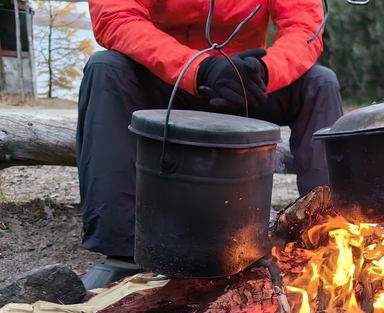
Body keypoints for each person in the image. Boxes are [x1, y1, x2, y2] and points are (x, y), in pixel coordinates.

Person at [78, 0, 343, 289]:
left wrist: (264, 71)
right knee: (104, 68)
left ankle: (327, 236)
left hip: (246, 83)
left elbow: (304, 25)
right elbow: (115, 15)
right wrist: (198, 69)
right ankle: (121, 252)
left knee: (321, 82)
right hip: (168, 77)